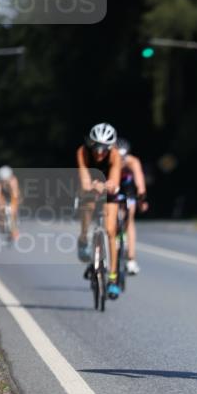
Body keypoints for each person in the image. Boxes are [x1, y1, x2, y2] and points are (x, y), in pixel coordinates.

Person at [76, 123, 122, 298]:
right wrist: (91, 186)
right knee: (86, 203)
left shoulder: (115, 155)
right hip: (90, 183)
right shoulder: (82, 152)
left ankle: (112, 278)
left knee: (110, 231)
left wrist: (104, 186)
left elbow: (114, 182)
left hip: (107, 186)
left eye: (104, 149)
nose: (100, 152)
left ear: (111, 147)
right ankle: (83, 237)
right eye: (96, 147)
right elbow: (85, 179)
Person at [115, 138, 149, 275]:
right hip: (112, 187)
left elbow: (140, 183)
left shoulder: (133, 162)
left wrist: (141, 198)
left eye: (123, 158)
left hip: (127, 188)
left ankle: (131, 259)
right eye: (118, 158)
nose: (121, 161)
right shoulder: (108, 162)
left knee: (130, 218)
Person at [0, 166, 20, 241]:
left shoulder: (13, 181)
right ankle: (2, 221)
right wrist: (0, 207)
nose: (4, 182)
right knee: (0, 208)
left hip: (11, 196)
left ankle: (14, 229)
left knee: (14, 208)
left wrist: (14, 208)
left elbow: (15, 195)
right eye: (3, 180)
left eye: (6, 180)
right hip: (1, 197)